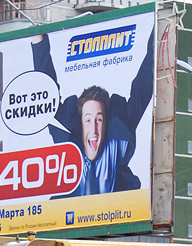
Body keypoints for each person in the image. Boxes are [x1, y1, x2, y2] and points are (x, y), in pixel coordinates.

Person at [31, 29, 154, 197]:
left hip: (116, 218)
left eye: (99, 119)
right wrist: (39, 41)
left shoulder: (117, 141)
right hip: (68, 219)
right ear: (80, 122)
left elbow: (144, 85)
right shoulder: (67, 135)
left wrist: (159, 31)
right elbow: (46, 93)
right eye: (88, 120)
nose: (94, 129)